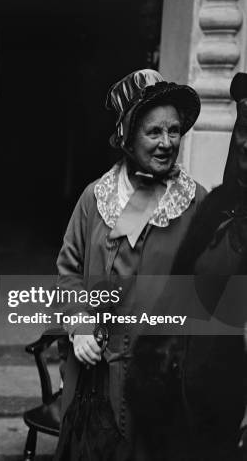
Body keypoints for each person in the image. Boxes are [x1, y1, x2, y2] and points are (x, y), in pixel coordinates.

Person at [53, 69, 207, 458]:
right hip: (95, 377)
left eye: (174, 131)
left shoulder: (195, 203)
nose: (166, 143)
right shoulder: (96, 198)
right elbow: (69, 269)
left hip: (162, 380)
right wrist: (81, 324)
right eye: (154, 132)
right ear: (127, 136)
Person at [128, 72, 247, 461]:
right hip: (179, 405)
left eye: (173, 131)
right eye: (242, 127)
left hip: (228, 419)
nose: (244, 141)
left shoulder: (195, 198)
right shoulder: (218, 207)